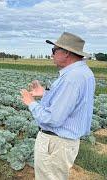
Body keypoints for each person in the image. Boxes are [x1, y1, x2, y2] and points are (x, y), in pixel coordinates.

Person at [20, 32, 95, 180]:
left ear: (66, 53)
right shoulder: (83, 73)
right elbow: (70, 103)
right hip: (63, 143)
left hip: (56, 144)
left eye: (54, 51)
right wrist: (45, 94)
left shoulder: (72, 78)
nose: (52, 55)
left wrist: (31, 103)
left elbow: (53, 119)